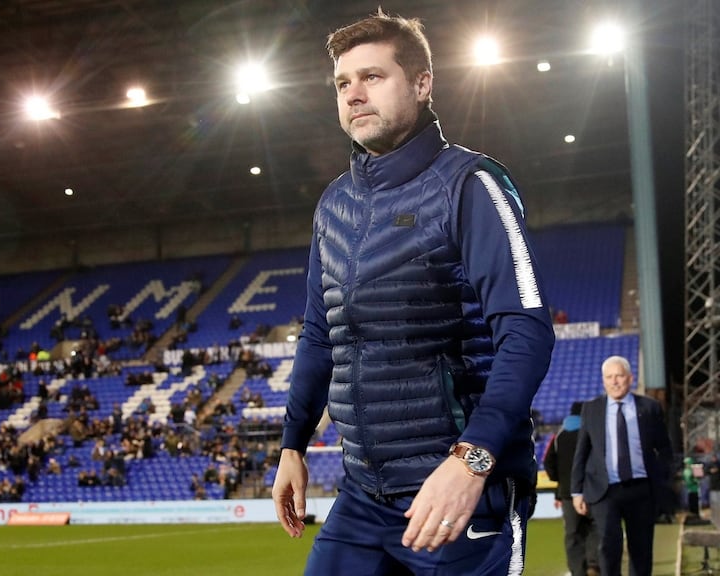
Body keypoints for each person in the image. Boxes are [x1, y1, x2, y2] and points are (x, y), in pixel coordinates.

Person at [271, 8, 555, 575]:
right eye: (343, 83)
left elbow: (526, 330)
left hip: (458, 492)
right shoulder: (334, 206)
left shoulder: (471, 185)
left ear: (423, 84)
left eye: (372, 77)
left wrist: (472, 462)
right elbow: (320, 336)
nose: (353, 94)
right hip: (363, 496)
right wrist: (292, 444)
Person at [571, 356, 673, 576]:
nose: (614, 381)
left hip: (642, 489)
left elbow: (665, 448)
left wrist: (663, 479)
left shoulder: (650, 407)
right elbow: (582, 452)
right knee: (609, 545)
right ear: (603, 381)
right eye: (609, 377)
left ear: (630, 378)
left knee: (641, 548)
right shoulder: (591, 409)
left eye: (619, 376)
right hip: (605, 489)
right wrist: (577, 491)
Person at [544, 401, 600, 576]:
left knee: (573, 533)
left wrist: (559, 480)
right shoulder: (593, 432)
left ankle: (577, 570)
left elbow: (548, 462)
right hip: (592, 490)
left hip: (568, 493)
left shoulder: (559, 436)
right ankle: (594, 563)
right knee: (595, 527)